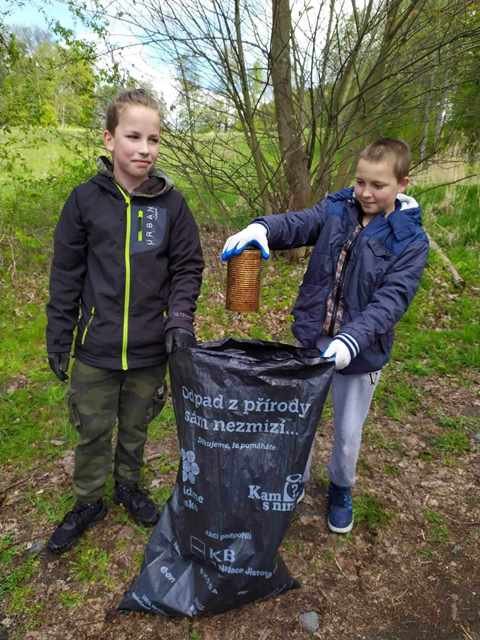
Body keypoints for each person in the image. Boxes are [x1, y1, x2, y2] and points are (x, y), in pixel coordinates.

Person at [222, 138, 428, 534]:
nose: (366, 193)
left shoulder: (410, 241)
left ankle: (340, 487)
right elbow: (299, 223)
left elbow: (391, 300)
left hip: (360, 353)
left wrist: (351, 340)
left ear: (403, 184)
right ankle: (294, 478)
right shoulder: (338, 209)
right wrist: (261, 228)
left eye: (378, 185)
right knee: (301, 420)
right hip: (312, 341)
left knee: (348, 434)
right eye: (360, 181)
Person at [46, 88, 204, 553]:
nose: (144, 149)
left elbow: (188, 266)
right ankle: (88, 500)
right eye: (133, 137)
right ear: (109, 139)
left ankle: (129, 487)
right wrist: (59, 335)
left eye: (153, 139)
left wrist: (179, 319)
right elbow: (66, 274)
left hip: (150, 347)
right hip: (95, 346)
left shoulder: (172, 205)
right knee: (93, 428)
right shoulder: (83, 202)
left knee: (136, 426)